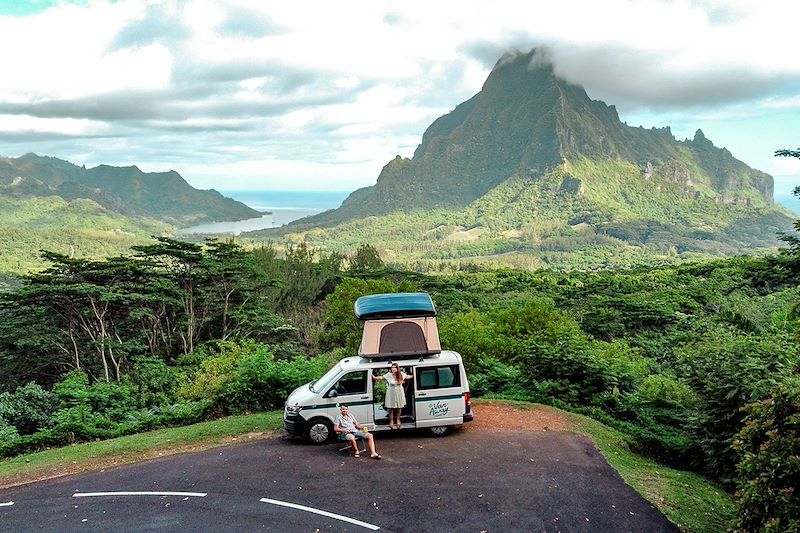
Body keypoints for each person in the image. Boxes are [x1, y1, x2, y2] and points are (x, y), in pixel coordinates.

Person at [372, 363, 413, 430]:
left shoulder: (401, 374)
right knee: (390, 407)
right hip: (391, 392)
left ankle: (398, 419)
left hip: (399, 391)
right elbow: (382, 377)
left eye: (394, 367)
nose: (393, 368)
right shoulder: (389, 375)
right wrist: (375, 377)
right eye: (392, 367)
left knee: (399, 406)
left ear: (397, 368)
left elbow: (407, 376)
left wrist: (415, 374)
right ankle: (391, 421)